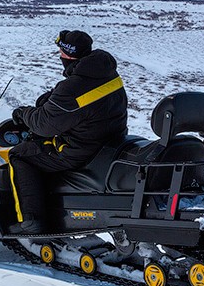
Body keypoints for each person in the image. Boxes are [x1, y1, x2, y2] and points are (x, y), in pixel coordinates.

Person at [7, 30, 128, 234]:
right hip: (109, 142)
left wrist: (23, 113)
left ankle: (31, 221)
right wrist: (52, 99)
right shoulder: (106, 72)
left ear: (67, 55)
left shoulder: (73, 87)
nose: (60, 57)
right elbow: (85, 106)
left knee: (20, 154)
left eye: (61, 53)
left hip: (80, 150)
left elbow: (43, 125)